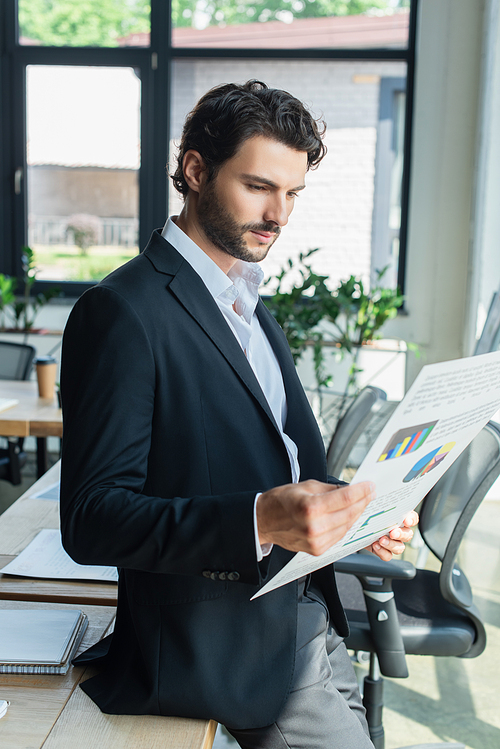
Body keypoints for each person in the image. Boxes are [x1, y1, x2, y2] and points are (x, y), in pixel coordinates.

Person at [60, 80, 417, 749]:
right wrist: (259, 519)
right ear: (195, 170)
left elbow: (280, 465)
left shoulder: (248, 301)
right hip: (237, 652)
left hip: (309, 616)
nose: (279, 214)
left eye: (293, 194)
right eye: (258, 186)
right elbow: (91, 517)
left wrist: (354, 514)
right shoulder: (122, 313)